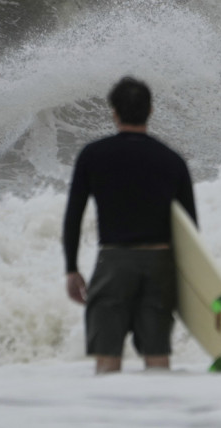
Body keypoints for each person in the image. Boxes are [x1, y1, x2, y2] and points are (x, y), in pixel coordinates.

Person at [62, 76, 197, 374]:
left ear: (114, 111)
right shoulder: (172, 160)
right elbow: (190, 229)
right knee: (158, 359)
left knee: (107, 359)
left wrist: (71, 268)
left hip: (113, 263)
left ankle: (111, 418)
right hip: (160, 265)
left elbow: (73, 215)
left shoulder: (93, 156)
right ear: (150, 111)